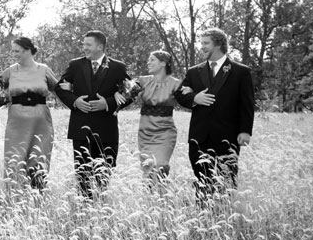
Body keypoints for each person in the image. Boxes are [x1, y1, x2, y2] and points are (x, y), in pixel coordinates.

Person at [175, 28, 255, 205]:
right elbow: (180, 94)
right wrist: (194, 97)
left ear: (219, 44)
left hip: (228, 137)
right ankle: (203, 216)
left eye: (206, 43)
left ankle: (224, 215)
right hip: (199, 137)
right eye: (201, 43)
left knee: (227, 180)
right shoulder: (194, 71)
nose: (201, 47)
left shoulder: (240, 71)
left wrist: (245, 131)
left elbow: (247, 104)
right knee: (202, 179)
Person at [55, 30, 131, 199]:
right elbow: (59, 87)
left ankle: (101, 210)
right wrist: (75, 101)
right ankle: (84, 210)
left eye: (88, 45)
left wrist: (108, 103)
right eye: (84, 44)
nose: (84, 48)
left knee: (103, 176)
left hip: (106, 131)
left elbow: (131, 92)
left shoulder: (118, 67)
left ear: (100, 46)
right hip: (81, 129)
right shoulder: (75, 65)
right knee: (82, 176)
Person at [115, 50, 186, 190]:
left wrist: (191, 93)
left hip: (165, 132)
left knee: (160, 165)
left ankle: (163, 195)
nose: (148, 62)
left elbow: (188, 102)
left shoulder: (176, 84)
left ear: (163, 63)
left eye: (152, 60)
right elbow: (124, 92)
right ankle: (150, 200)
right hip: (145, 132)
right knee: (148, 167)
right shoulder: (142, 80)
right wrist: (117, 93)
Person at [0, 37, 59, 189]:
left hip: (41, 123)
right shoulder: (10, 71)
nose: (14, 54)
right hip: (16, 123)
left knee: (39, 159)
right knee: (14, 160)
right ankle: (13, 199)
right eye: (13, 51)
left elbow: (60, 91)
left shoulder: (43, 69)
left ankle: (37, 198)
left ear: (28, 50)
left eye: (17, 51)